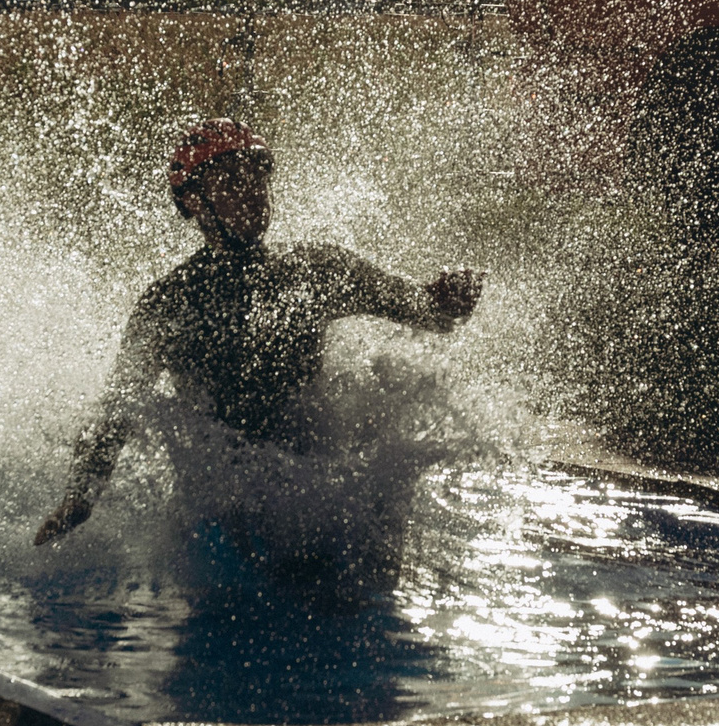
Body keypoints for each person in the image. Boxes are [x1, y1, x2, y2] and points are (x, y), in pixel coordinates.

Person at [32, 118, 482, 550]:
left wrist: (449, 301)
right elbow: (117, 410)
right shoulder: (168, 304)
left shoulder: (316, 269)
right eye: (231, 180)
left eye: (257, 178)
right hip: (224, 515)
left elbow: (426, 313)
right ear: (192, 201)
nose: (251, 192)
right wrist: (79, 499)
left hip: (319, 494)